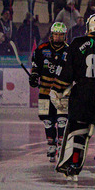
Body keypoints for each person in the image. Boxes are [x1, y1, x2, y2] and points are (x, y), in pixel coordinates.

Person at [53, 14, 95, 181]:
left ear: (88, 27)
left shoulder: (77, 43)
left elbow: (67, 73)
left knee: (77, 132)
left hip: (82, 95)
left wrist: (57, 90)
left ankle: (73, 164)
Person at [30, 22, 70, 162]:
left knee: (62, 119)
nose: (58, 37)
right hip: (45, 91)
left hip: (62, 92)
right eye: (55, 34)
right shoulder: (41, 49)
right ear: (51, 35)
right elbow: (35, 67)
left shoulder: (70, 50)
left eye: (60, 35)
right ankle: (51, 145)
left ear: (64, 36)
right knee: (47, 120)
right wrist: (34, 76)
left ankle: (61, 144)